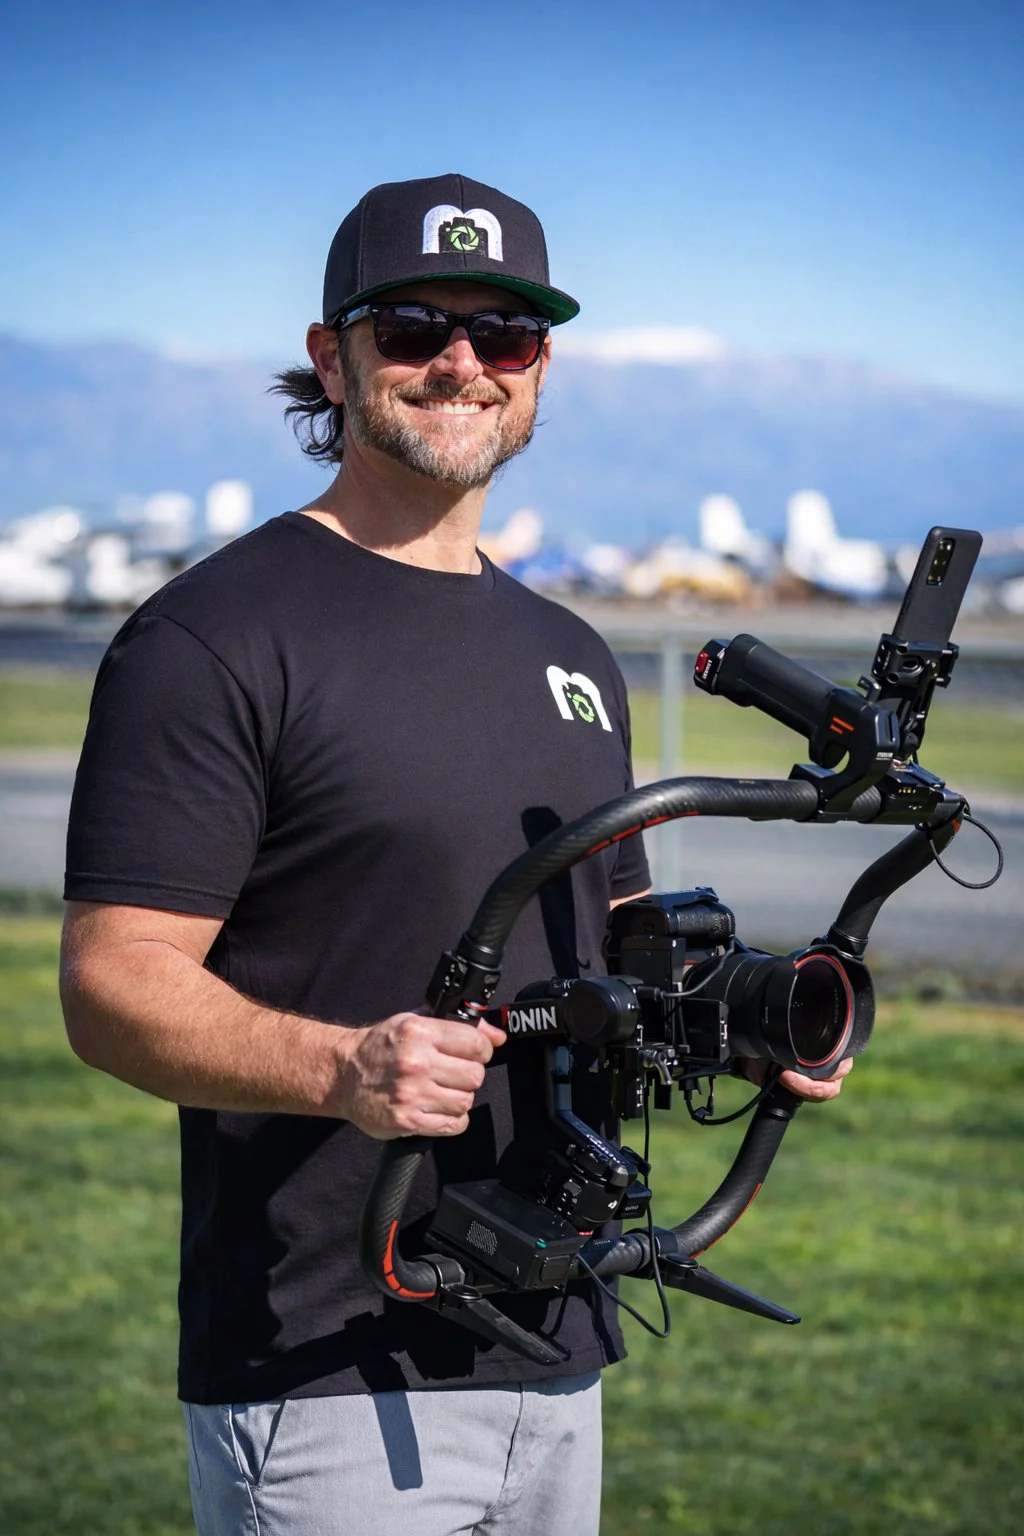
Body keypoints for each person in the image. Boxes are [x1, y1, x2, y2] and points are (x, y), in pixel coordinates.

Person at [60, 173, 850, 1536]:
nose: (463, 364)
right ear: (332, 357)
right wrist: (343, 1067)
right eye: (415, 327)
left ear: (543, 369)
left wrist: (749, 1020)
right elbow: (111, 983)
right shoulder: (212, 638)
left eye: (507, 334)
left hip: (558, 1329)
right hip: (327, 1361)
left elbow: (618, 940)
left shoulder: (573, 653)